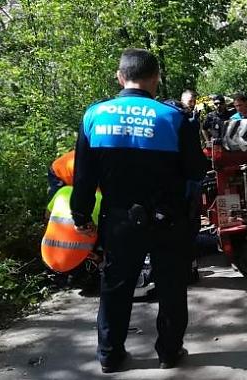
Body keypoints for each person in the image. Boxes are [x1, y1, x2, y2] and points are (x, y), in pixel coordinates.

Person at [70, 48, 206, 373]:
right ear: (155, 79)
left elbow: (83, 177)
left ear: (120, 76)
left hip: (118, 220)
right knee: (171, 286)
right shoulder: (173, 118)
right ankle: (169, 352)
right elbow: (196, 171)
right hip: (168, 219)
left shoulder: (94, 116)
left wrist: (80, 215)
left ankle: (110, 355)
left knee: (116, 286)